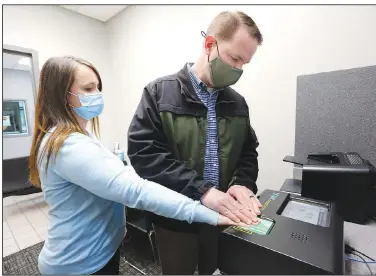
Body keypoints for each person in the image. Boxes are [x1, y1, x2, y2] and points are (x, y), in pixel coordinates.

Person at [28, 56, 241, 275]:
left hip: (99, 252)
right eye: (88, 88)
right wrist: (212, 214)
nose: (97, 95)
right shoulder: (68, 146)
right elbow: (136, 191)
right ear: (62, 95)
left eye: (98, 87)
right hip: (77, 262)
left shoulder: (80, 136)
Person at [127, 10, 263, 275]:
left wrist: (243, 183)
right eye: (234, 58)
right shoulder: (158, 93)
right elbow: (145, 154)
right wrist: (201, 191)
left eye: (244, 64)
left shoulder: (237, 103)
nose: (237, 69)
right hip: (175, 221)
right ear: (210, 44)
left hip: (220, 218)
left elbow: (248, 151)